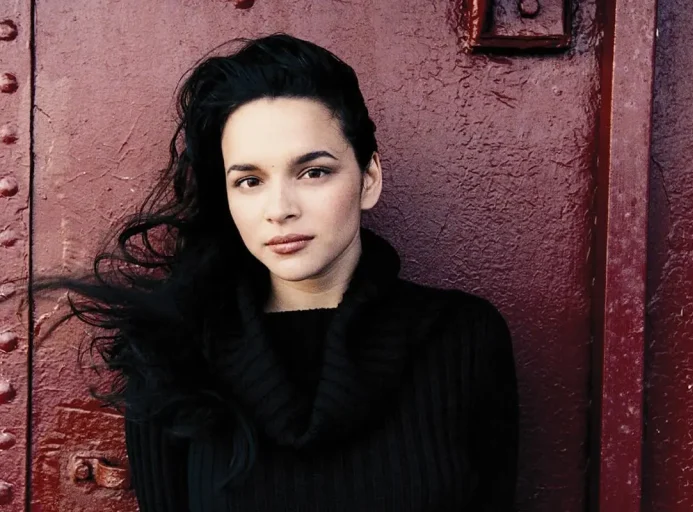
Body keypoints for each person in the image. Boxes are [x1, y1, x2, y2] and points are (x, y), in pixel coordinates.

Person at [44, 33, 518, 511]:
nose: (280, 209)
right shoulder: (172, 350)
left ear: (369, 177)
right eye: (249, 181)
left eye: (313, 172)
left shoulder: (462, 338)